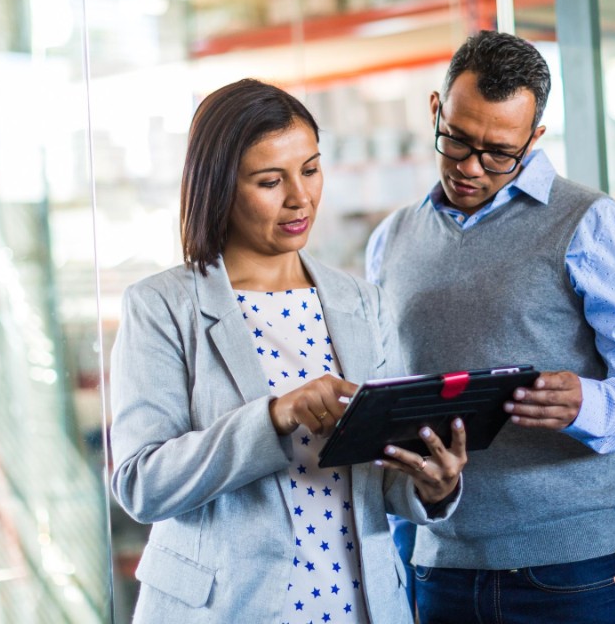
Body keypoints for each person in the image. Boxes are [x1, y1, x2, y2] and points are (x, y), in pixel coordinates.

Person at [110, 78, 467, 624]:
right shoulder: (161, 307)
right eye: (270, 181)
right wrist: (275, 417)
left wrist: (432, 485)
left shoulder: (361, 303)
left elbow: (386, 477)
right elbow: (142, 484)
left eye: (310, 169)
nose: (300, 198)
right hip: (227, 609)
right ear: (220, 187)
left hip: (359, 603)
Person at [366, 31, 615, 624]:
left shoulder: (589, 224)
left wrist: (587, 404)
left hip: (572, 576)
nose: (469, 167)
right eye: (456, 141)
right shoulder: (391, 240)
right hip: (438, 569)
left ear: (534, 139)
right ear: (436, 109)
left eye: (498, 153)